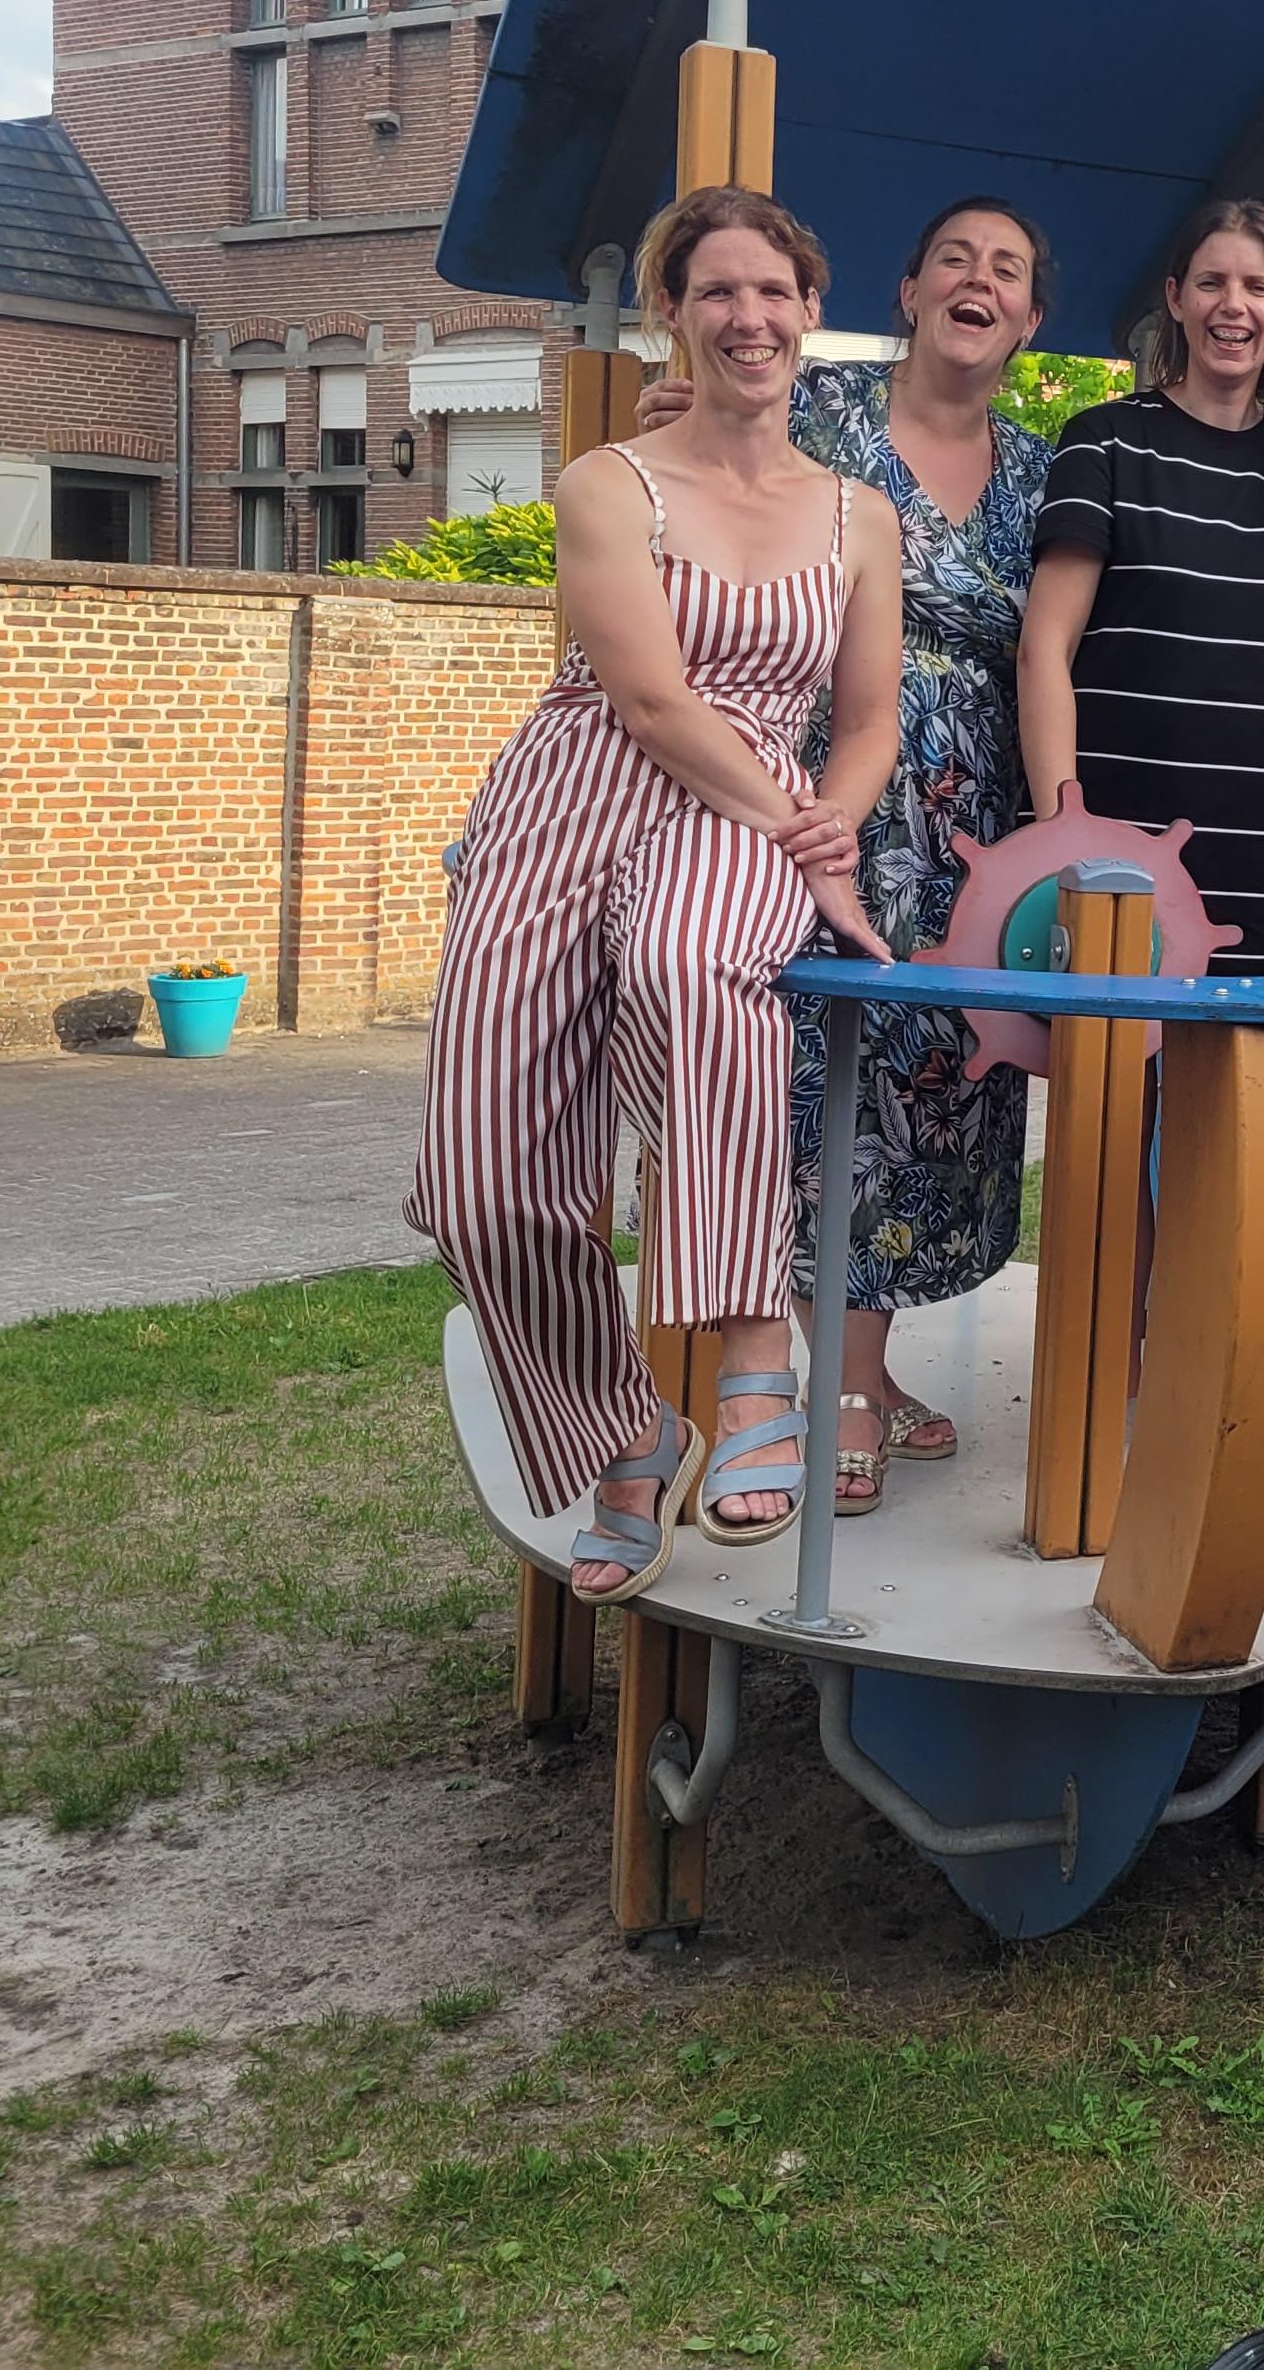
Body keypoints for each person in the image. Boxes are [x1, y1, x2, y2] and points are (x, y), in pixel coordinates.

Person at [411, 185, 900, 1601]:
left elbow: (867, 720)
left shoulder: (858, 517)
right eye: (718, 291)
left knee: (694, 968)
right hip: (579, 792)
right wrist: (810, 840)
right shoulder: (608, 483)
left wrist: (828, 825)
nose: (750, 317)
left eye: (775, 291)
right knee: (478, 1181)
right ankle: (627, 1428)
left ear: (811, 311)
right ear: (672, 314)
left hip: (752, 808)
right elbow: (645, 697)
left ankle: (755, 1355)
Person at [632, 196, 1058, 1510]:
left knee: (944, 1088)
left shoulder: (1044, 471)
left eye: (1008, 270)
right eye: (954, 259)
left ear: (1031, 320)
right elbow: (694, 476)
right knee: (830, 1076)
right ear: (908, 291)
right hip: (815, 792)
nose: (979, 280)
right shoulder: (815, 412)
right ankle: (840, 1385)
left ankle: (858, 1361)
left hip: (975, 822)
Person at [1018, 198, 1264, 973]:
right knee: (1109, 1056)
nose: (1233, 306)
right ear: (1175, 298)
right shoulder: (1106, 442)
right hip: (1114, 857)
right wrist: (1064, 829)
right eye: (1211, 283)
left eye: (1258, 287)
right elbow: (1043, 651)